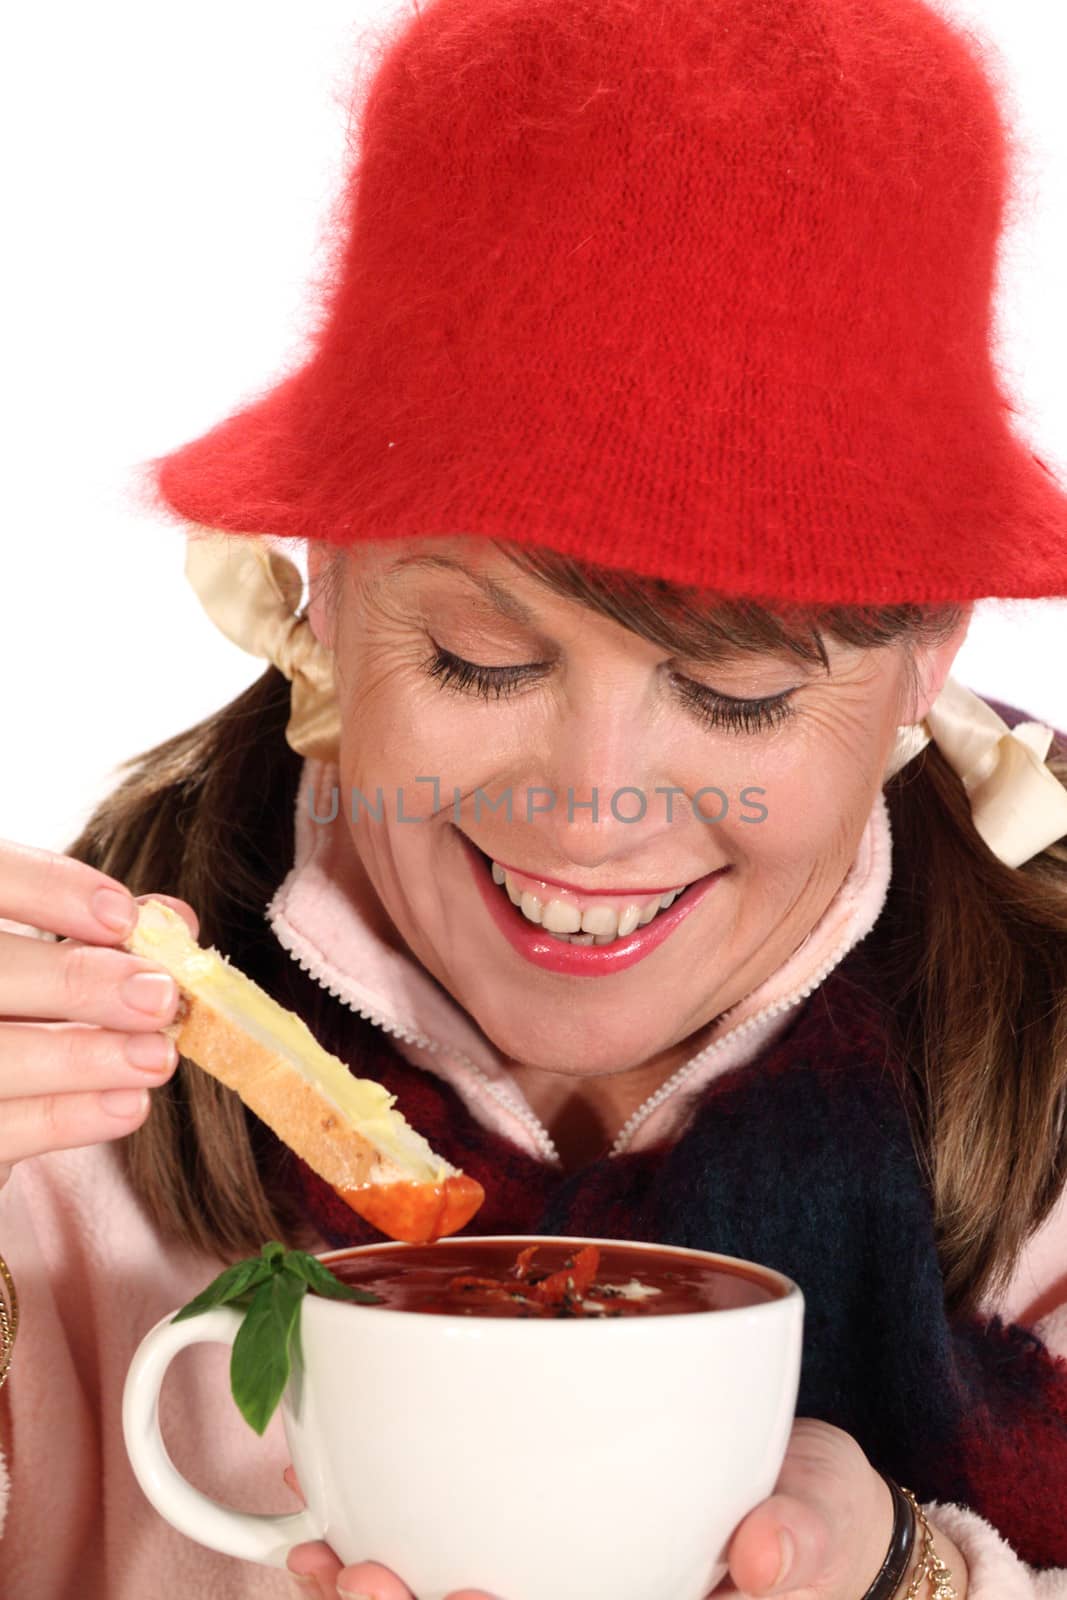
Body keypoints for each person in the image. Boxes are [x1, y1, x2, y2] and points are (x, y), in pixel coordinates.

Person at [2, 0, 1067, 1596]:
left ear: (928, 659)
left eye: (735, 694)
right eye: (484, 657)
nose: (592, 811)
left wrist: (922, 1575)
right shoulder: (54, 1115)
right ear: (327, 593)